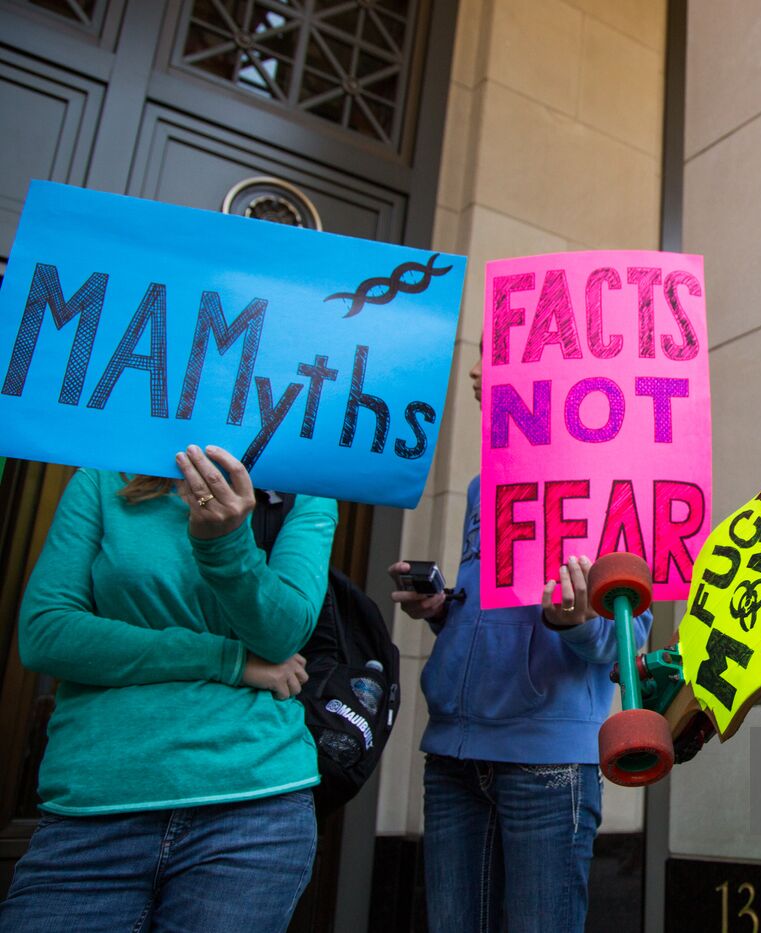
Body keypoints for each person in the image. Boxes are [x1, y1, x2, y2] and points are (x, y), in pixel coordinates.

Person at [0, 444, 338, 932]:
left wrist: (224, 543)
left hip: (251, 809)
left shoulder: (304, 492)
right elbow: (47, 634)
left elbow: (282, 634)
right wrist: (229, 660)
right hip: (96, 804)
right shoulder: (103, 477)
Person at [389, 342, 652, 933]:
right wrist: (442, 610)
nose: (479, 370)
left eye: (498, 354)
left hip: (547, 765)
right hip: (453, 756)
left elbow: (628, 639)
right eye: (483, 355)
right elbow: (491, 614)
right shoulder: (487, 485)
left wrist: (577, 621)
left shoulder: (607, 483)